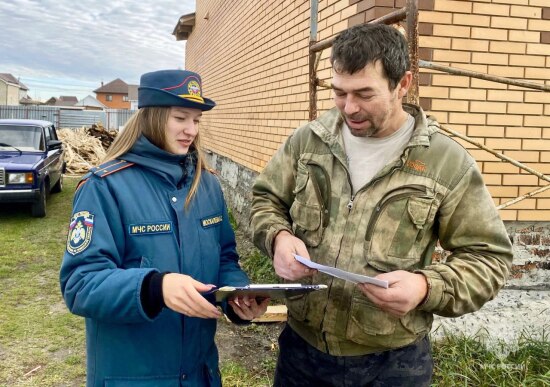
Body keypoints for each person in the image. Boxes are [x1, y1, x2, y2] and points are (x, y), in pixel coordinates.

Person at [250, 23, 512, 386]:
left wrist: (424, 287)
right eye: (339, 92)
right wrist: (277, 236)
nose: (349, 108)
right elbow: (265, 200)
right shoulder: (308, 142)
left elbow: (488, 258)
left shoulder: (444, 162)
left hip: (393, 364)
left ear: (402, 84)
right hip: (302, 353)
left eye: (364, 94)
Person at [60, 69, 269, 386]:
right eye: (180, 118)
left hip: (199, 375)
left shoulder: (207, 185)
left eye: (196, 120)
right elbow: (80, 284)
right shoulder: (104, 187)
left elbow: (225, 257)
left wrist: (236, 295)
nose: (191, 130)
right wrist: (156, 288)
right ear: (153, 117)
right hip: (132, 377)